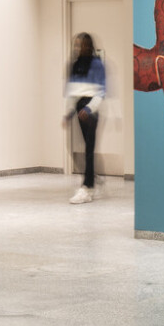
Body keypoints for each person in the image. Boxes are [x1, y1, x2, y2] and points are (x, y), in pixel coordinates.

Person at [63, 32, 106, 204]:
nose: (76, 48)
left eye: (79, 45)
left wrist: (89, 109)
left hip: (91, 110)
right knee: (86, 148)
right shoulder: (75, 65)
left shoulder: (97, 64)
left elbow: (101, 91)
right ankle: (93, 178)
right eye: (75, 44)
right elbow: (72, 92)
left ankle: (87, 187)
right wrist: (69, 112)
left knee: (89, 148)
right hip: (79, 108)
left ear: (87, 46)